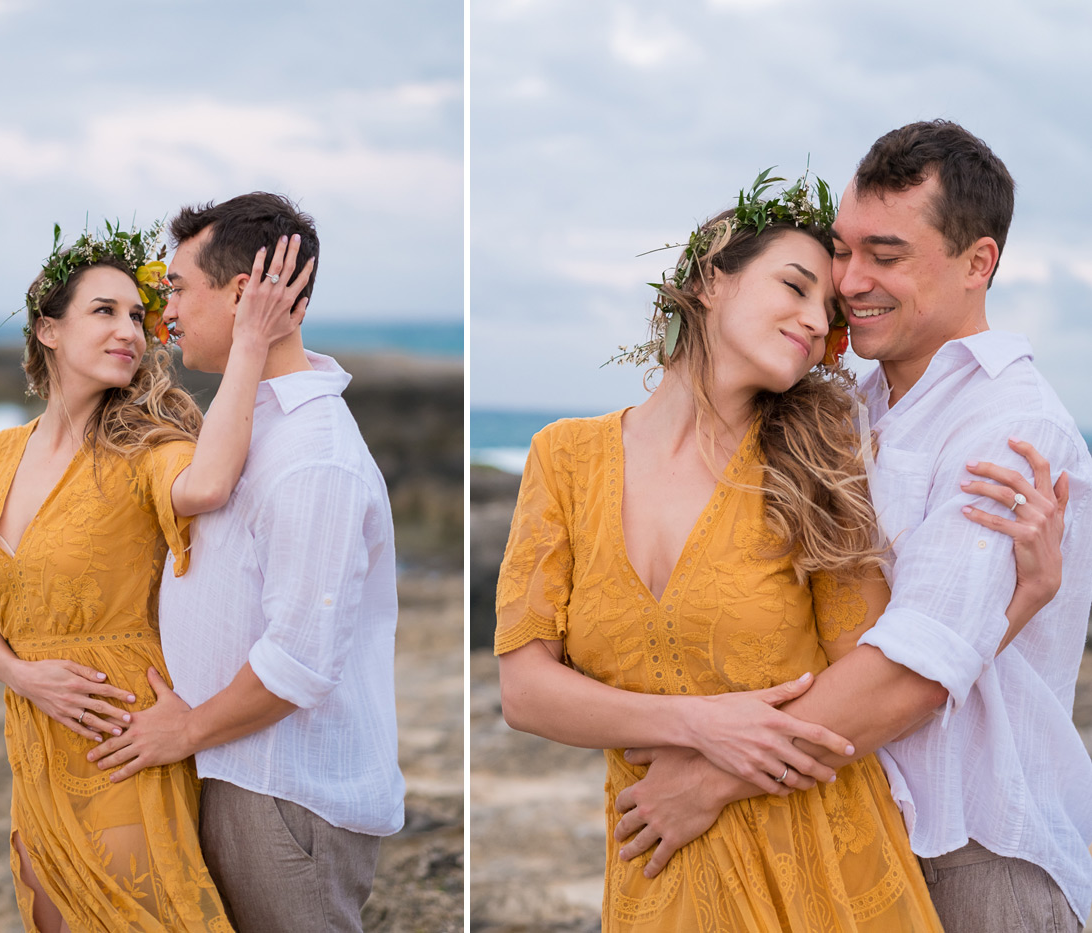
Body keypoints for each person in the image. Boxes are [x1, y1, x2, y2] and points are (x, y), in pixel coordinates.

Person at [494, 168, 1069, 931]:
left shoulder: (820, 459)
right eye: (798, 285)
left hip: (832, 865)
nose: (819, 318)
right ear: (708, 281)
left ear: (978, 262)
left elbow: (893, 673)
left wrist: (1016, 601)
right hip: (657, 866)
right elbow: (526, 690)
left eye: (827, 308)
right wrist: (697, 725)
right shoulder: (564, 458)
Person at [0, 220, 312, 931]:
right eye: (104, 311)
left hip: (122, 734)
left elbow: (208, 485)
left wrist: (248, 343)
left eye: (138, 315)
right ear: (48, 329)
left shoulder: (150, 446)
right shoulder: (0, 453)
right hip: (35, 733)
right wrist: (23, 675)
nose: (131, 330)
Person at [83, 193, 405, 933]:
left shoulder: (313, 457)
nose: (166, 312)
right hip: (233, 769)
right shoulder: (247, 421)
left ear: (243, 293)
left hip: (281, 794)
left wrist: (183, 731)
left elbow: (297, 661)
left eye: (178, 288)